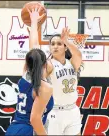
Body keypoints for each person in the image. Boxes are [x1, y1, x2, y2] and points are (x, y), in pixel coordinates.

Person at [27, 6, 83, 135]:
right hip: (54, 112)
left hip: (73, 110)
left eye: (59, 43)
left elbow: (78, 55)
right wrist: (34, 24)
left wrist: (67, 41)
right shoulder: (49, 64)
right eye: (52, 44)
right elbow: (33, 49)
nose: (55, 46)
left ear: (65, 47)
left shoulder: (72, 63)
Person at [5, 7, 53, 136]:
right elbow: (34, 119)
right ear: (44, 64)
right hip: (29, 131)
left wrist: (33, 23)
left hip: (13, 129)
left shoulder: (25, 76)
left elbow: (33, 47)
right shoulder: (45, 87)